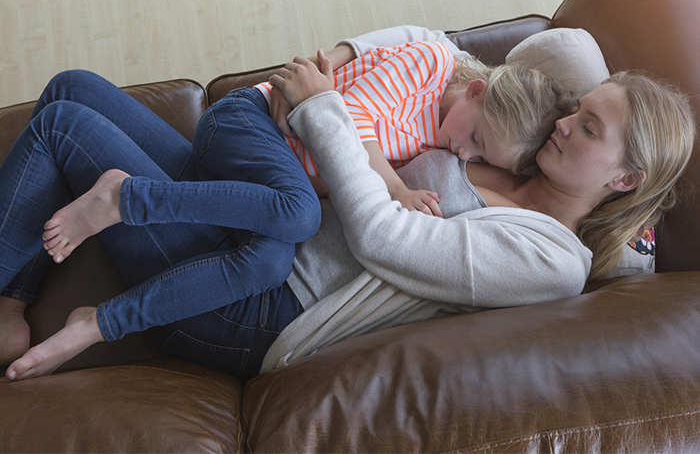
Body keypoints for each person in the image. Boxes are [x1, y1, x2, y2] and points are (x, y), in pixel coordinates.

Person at [2, 48, 695, 381]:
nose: (569, 125)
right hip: (258, 211)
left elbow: (385, 238)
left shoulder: (551, 261)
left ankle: (10, 300)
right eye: (579, 108)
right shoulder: (516, 146)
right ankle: (16, 292)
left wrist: (319, 107)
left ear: (626, 179)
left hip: (261, 299)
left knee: (63, 123)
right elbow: (479, 61)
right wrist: (339, 61)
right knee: (73, 87)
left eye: (591, 129)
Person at [257, 40, 574, 216]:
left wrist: (309, 187)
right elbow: (349, 115)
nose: (464, 153)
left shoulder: (435, 145)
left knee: (293, 219)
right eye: (476, 138)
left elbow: (345, 173)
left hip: (283, 170)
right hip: (261, 121)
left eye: (481, 158)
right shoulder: (431, 64)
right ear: (476, 90)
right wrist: (396, 190)